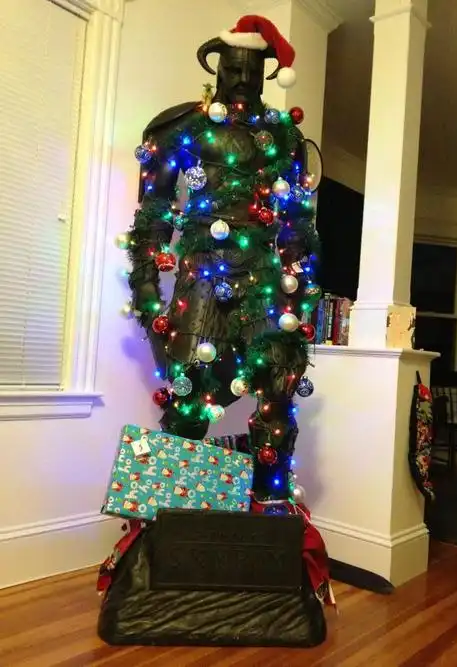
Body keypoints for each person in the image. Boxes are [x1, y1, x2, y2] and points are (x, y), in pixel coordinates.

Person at [126, 15, 321, 500]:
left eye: (251, 71)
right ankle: (177, 511)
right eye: (232, 69)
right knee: (189, 392)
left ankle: (271, 506)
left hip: (263, 273)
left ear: (266, 74)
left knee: (278, 384)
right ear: (216, 66)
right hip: (202, 270)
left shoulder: (284, 138)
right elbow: (152, 216)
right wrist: (148, 293)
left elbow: (297, 225)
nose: (240, 80)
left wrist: (299, 292)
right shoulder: (185, 128)